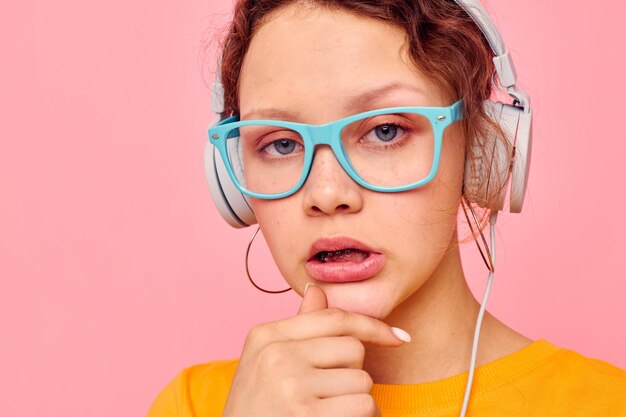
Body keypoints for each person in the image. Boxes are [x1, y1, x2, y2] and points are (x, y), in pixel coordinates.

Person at [147, 1, 626, 416]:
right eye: (280, 143)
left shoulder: (604, 405)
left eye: (385, 131)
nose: (327, 192)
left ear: (480, 151)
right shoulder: (196, 405)